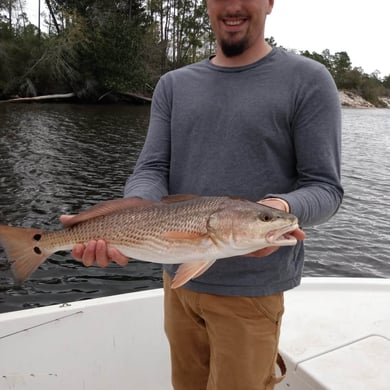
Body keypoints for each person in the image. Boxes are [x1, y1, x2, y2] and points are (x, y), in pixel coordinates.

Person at [62, 0, 343, 388]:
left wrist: (278, 208)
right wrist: (130, 214)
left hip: (252, 294)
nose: (231, 5)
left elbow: (325, 187)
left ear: (270, 2)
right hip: (177, 281)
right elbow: (152, 170)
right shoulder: (173, 85)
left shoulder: (308, 80)